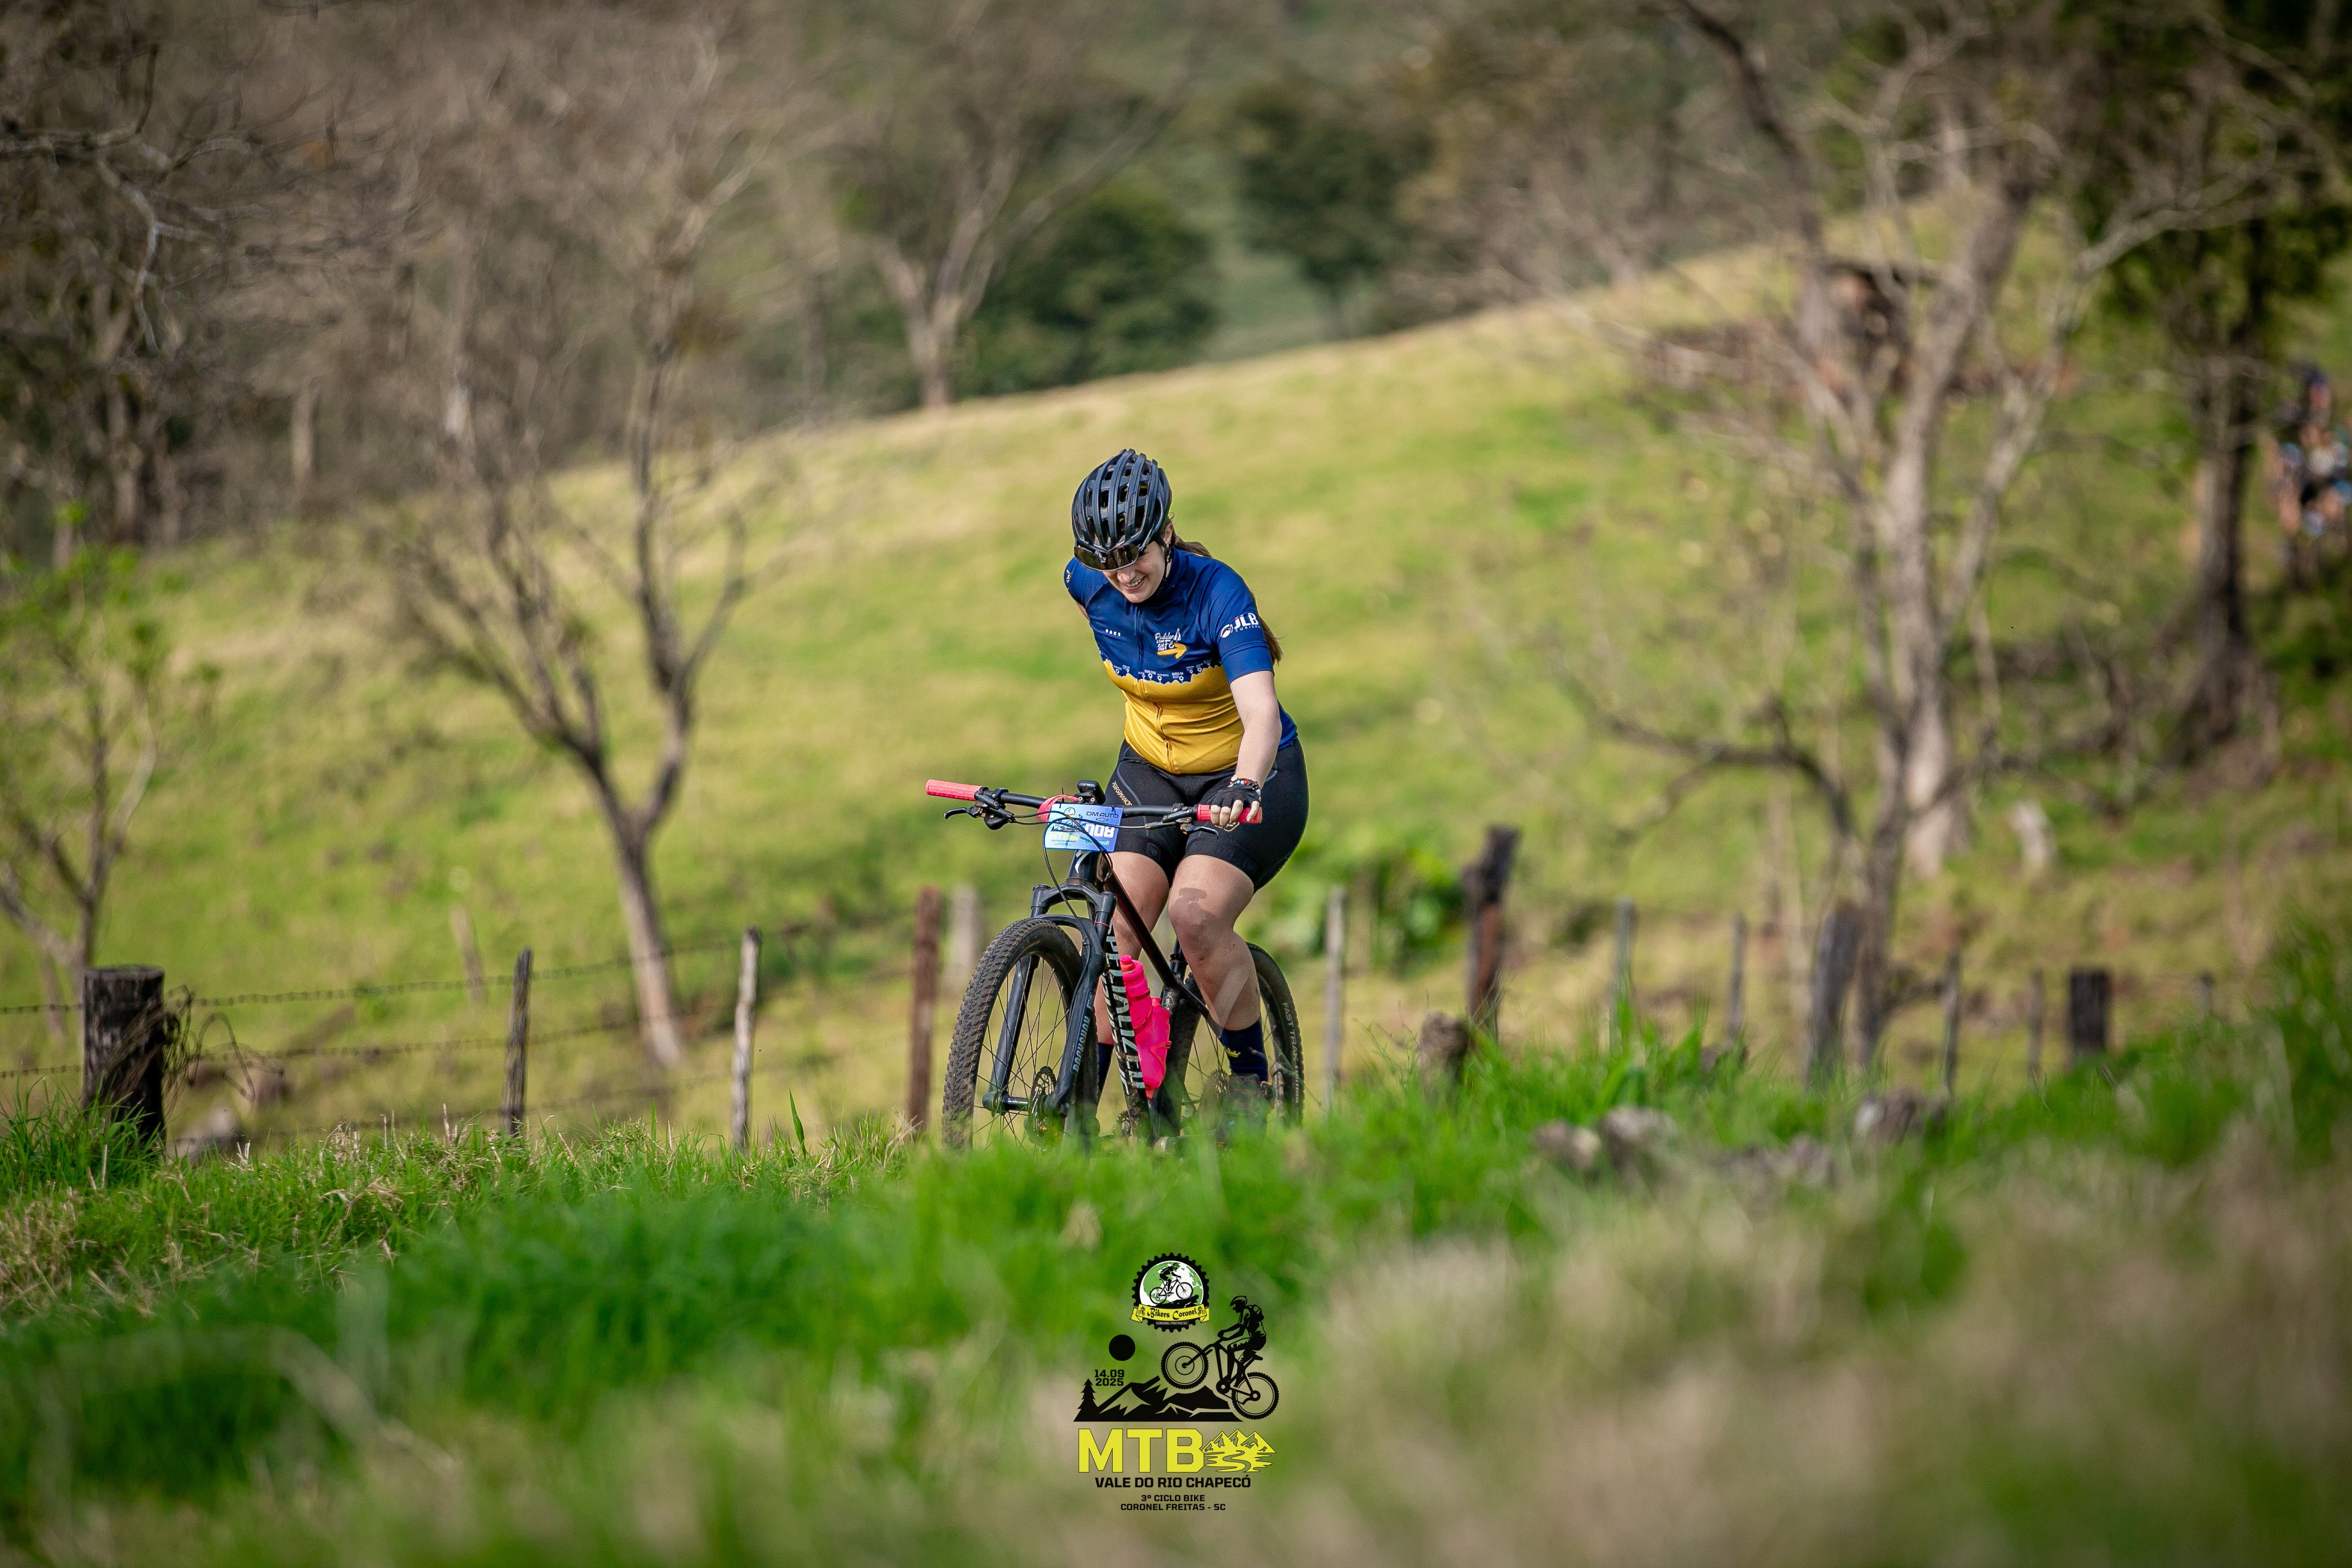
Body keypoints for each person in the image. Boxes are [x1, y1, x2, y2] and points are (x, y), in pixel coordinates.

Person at [1064, 448, 1307, 1117]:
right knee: (1115, 930)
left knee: (1194, 918)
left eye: (1135, 554)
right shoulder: (1086, 584)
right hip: (1148, 772)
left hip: (1245, 774)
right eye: (1106, 561)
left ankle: (1251, 1085)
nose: (1123, 574)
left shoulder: (1218, 594)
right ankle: (1089, 1120)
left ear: (1166, 533)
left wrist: (1246, 784)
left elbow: (1261, 713)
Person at [1216, 1296, 1267, 1389]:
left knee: (1230, 1348)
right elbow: (1239, 1325)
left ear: (1240, 1304)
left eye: (1235, 1306)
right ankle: (1237, 1383)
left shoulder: (1246, 1312)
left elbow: (1241, 1332)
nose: (1234, 1308)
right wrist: (1225, 1331)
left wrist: (1228, 1339)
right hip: (1259, 1340)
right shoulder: (1246, 1311)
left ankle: (1229, 1377)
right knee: (1240, 1362)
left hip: (1257, 1340)